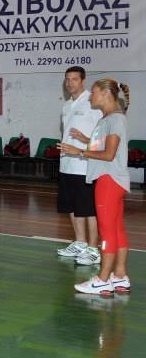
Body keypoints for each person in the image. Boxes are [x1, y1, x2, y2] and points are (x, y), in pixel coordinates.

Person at [59, 79, 131, 296]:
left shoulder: (115, 119)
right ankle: (119, 276)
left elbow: (108, 155)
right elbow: (103, 146)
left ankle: (102, 280)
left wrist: (79, 152)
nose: (90, 96)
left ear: (106, 94)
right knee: (117, 230)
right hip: (112, 180)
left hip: (108, 180)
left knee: (107, 232)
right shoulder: (109, 118)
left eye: (94, 92)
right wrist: (85, 139)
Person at [55, 66, 103, 266]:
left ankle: (93, 248)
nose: (70, 83)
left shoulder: (93, 103)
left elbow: (103, 137)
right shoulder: (66, 105)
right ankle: (80, 243)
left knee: (89, 209)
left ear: (83, 81)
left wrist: (85, 141)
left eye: (74, 79)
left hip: (86, 165)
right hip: (67, 164)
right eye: (67, 79)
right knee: (72, 207)